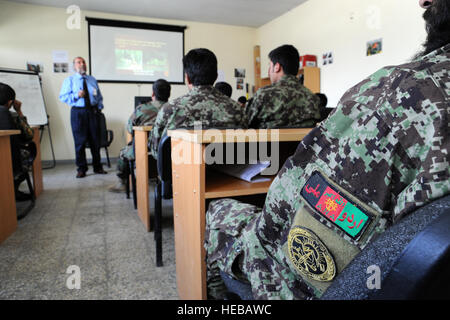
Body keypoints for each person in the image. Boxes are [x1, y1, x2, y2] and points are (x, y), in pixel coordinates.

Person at [205, 0, 449, 300]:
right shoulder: (311, 97)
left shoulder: (400, 93)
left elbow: (248, 133)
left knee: (217, 211)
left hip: (313, 272)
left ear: (277, 67)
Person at [148, 48, 247, 159]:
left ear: (187, 78)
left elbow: (156, 151)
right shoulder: (237, 109)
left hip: (180, 172)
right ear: (216, 76)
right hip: (227, 173)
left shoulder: (170, 109)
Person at [108, 79, 171, 193]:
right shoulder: (174, 109)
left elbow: (129, 129)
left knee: (123, 152)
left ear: (153, 94)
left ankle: (123, 182)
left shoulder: (141, 109)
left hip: (144, 156)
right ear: (169, 94)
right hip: (169, 157)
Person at [245, 44, 321, 128]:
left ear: (277, 67)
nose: (268, 72)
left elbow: (245, 126)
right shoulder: (313, 98)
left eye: (270, 66)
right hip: (302, 141)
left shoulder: (264, 95)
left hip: (268, 141)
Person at [59, 56, 107, 178]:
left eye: (84, 62)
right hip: (78, 113)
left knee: (95, 141)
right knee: (79, 142)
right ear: (74, 66)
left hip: (93, 112)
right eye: (79, 62)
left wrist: (99, 107)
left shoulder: (92, 80)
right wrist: (76, 95)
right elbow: (63, 97)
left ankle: (97, 167)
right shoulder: (69, 80)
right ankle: (81, 168)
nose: (82, 64)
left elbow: (99, 96)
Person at [0, 83, 35, 200]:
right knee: (30, 150)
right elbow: (29, 135)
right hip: (10, 161)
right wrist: (19, 111)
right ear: (10, 103)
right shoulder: (10, 115)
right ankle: (13, 189)